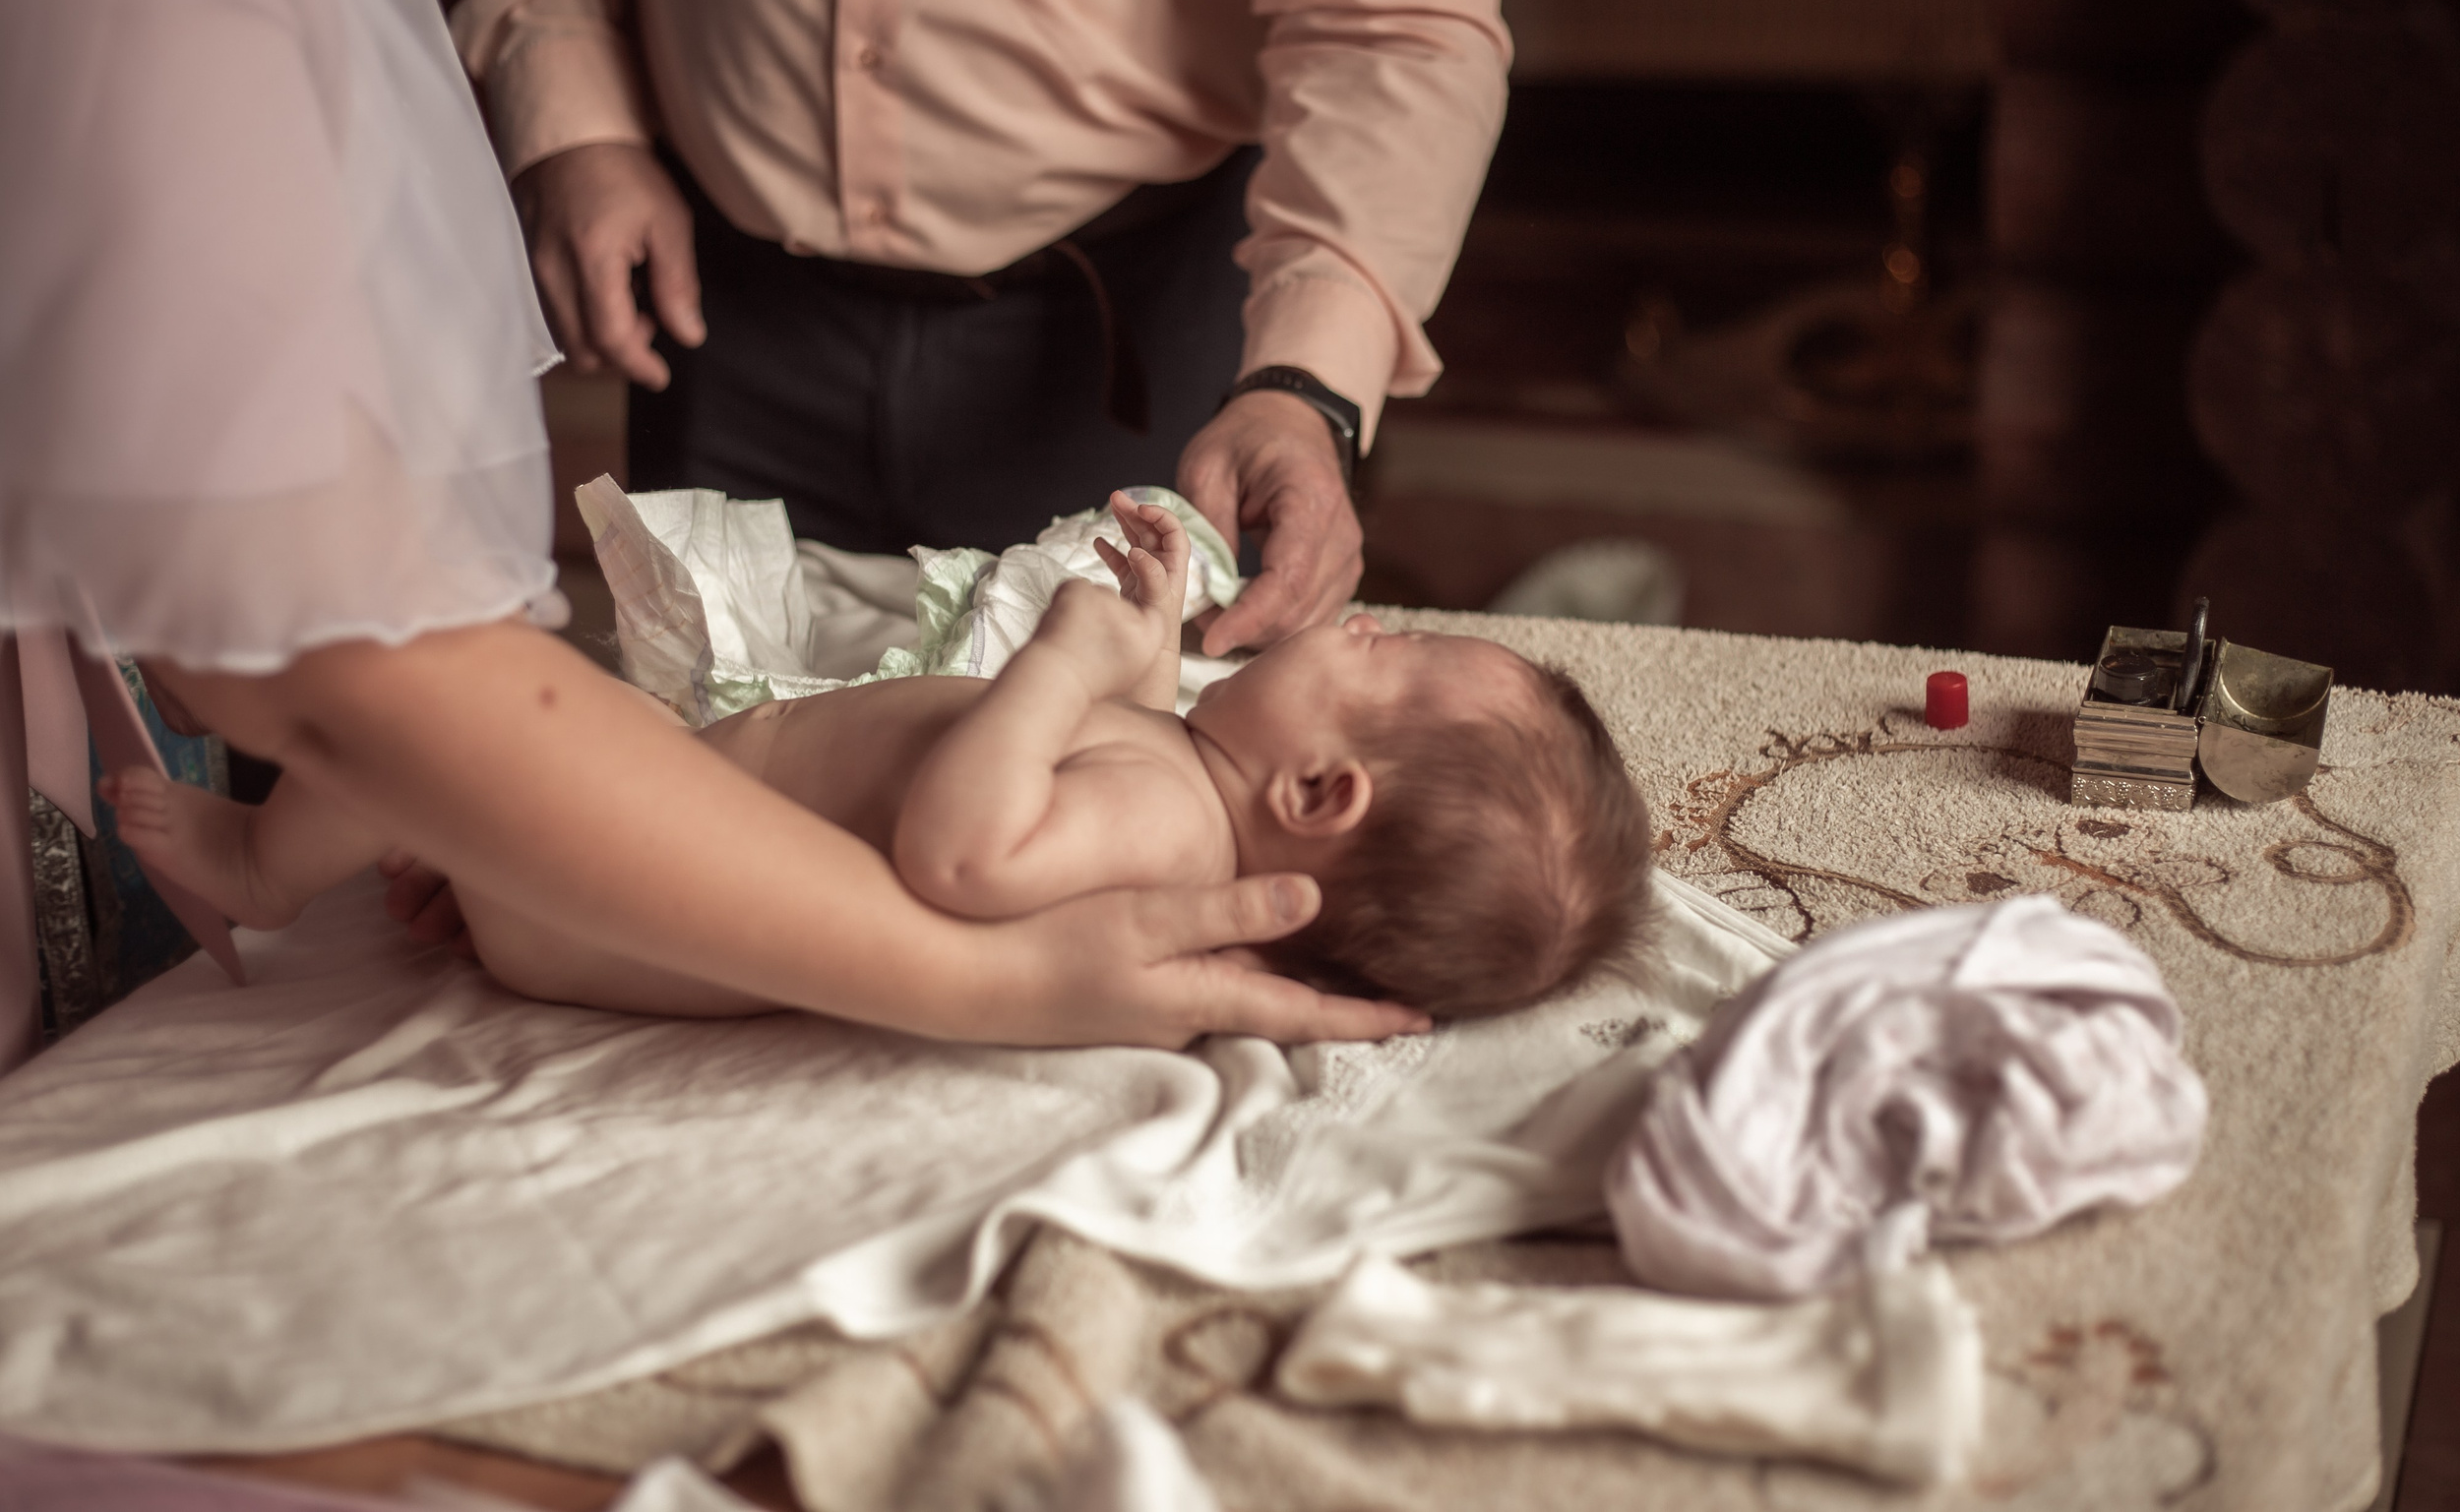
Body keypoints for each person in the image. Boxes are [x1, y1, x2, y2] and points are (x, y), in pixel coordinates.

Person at [0, 0, 1424, 1059]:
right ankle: (280, 849)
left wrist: (516, 793)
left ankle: (290, 847)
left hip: (1102, 282)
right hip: (714, 356)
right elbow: (336, 665)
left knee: (459, 695)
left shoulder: (1167, 817)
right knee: (440, 695)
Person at [442, 0, 1513, 656]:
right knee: (709, 766)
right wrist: (572, 117)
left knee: (1114, 801)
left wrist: (1304, 387)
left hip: (1134, 321)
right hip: (720, 295)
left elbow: (1395, 12)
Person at [105, 497, 1656, 1020]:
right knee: (485, 722)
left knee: (418, 732)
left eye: (1381, 653)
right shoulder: (1180, 774)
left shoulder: (1157, 821)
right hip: (672, 830)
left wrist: (1062, 657)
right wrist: (1138, 653)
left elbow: (960, 851)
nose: (1365, 620)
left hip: (618, 905)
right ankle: (330, 838)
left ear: (1321, 792)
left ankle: (255, 867)